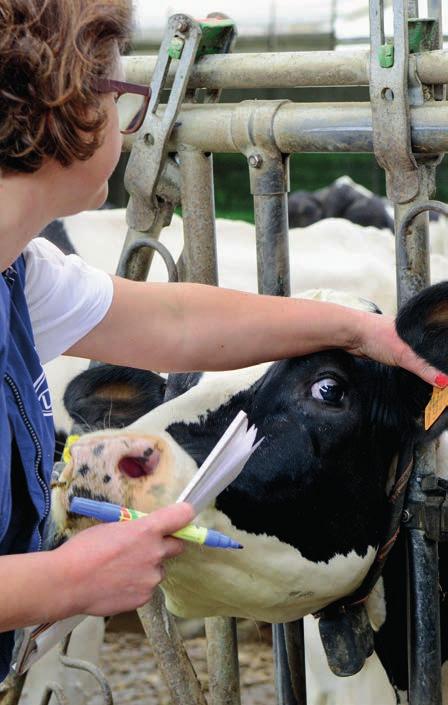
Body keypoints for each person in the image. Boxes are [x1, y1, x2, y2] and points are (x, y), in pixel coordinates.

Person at [0, 0, 446, 682]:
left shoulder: (20, 273)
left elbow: (176, 323)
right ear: (70, 107)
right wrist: (59, 581)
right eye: (127, 97)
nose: (136, 122)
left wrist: (356, 328)